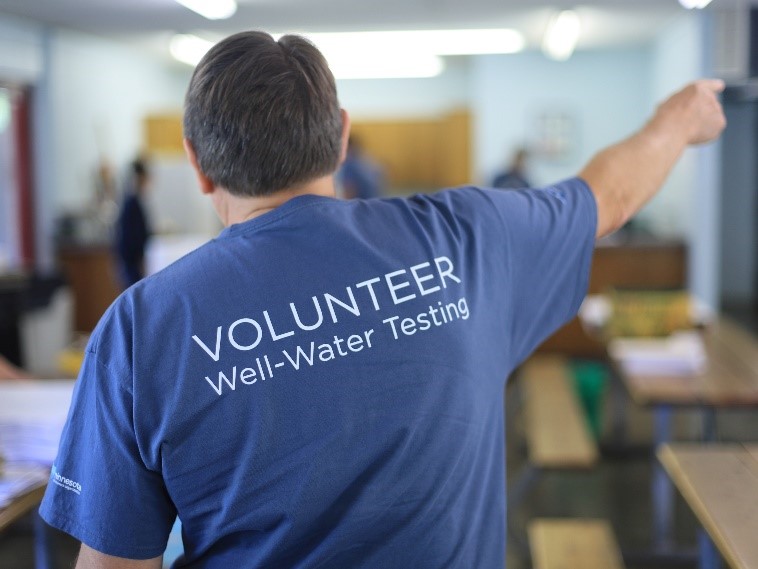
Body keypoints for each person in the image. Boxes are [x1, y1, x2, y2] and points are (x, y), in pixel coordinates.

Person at [39, 31, 725, 569]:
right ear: (339, 136)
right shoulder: (468, 237)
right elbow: (611, 195)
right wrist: (680, 119)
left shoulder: (141, 328)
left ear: (195, 159)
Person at [114, 158, 152, 289]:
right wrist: (139, 261)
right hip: (131, 263)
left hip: (132, 261)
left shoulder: (134, 202)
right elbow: (130, 238)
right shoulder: (131, 204)